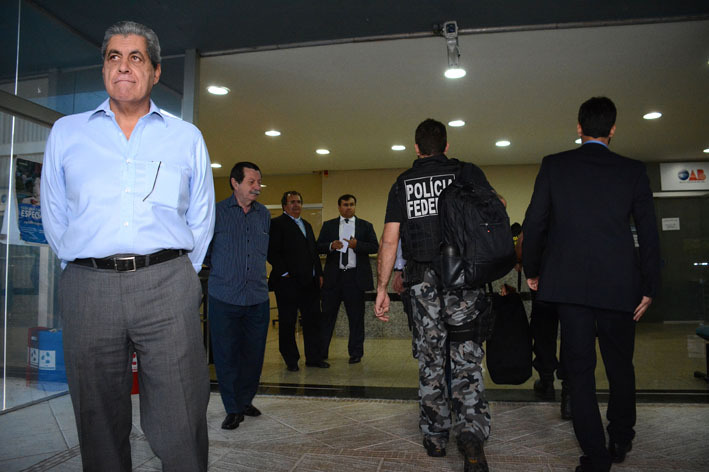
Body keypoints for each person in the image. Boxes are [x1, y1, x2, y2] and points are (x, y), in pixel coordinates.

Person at [41, 21, 215, 471]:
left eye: (135, 57)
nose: (123, 66)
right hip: (88, 286)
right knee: (97, 416)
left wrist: (181, 274)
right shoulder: (67, 133)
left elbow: (201, 217)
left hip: (167, 285)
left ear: (155, 72)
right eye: (113, 57)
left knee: (181, 413)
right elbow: (55, 215)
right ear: (104, 68)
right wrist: (81, 264)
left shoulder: (185, 137)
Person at [522, 97, 660, 472]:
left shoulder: (554, 165)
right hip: (620, 285)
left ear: (579, 128)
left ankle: (596, 456)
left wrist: (532, 269)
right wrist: (649, 286)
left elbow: (534, 222)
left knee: (579, 371)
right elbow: (649, 233)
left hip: (570, 286)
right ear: (612, 129)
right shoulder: (633, 171)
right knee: (620, 365)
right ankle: (621, 436)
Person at [375, 119, 494, 472]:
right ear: (446, 144)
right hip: (463, 280)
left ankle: (436, 436)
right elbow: (496, 210)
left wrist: (381, 287)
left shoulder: (403, 184)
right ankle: (471, 433)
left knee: (431, 359)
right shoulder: (466, 173)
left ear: (416, 148)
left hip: (421, 283)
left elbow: (390, 240)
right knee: (466, 356)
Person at [205, 162, 269, 430]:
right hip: (224, 296)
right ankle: (232, 408)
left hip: (257, 297)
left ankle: (245, 401)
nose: (257, 187)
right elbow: (205, 251)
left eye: (258, 182)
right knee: (226, 355)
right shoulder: (216, 213)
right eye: (251, 182)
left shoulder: (263, 214)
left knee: (253, 356)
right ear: (235, 182)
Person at [268, 190, 327, 371]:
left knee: (312, 320)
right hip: (288, 283)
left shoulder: (306, 225)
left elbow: (313, 252)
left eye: (299, 202)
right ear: (284, 206)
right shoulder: (276, 224)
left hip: (310, 283)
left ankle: (314, 358)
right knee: (288, 322)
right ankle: (291, 360)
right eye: (292, 202)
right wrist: (285, 272)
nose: (296, 205)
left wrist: (319, 274)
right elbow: (271, 252)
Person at [515, 230, 571, 419]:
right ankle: (569, 393)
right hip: (572, 277)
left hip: (543, 276)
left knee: (544, 328)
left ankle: (546, 380)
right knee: (571, 332)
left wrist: (523, 262)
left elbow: (524, 241)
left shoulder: (541, 216)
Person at [317, 194, 378, 364]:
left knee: (356, 318)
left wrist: (358, 245)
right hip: (333, 278)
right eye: (345, 204)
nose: (348, 207)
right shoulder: (328, 225)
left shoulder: (365, 226)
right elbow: (318, 246)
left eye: (351, 204)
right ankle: (321, 352)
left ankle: (356, 353)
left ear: (355, 206)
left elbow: (375, 246)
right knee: (327, 317)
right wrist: (331, 246)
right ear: (339, 207)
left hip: (355, 278)